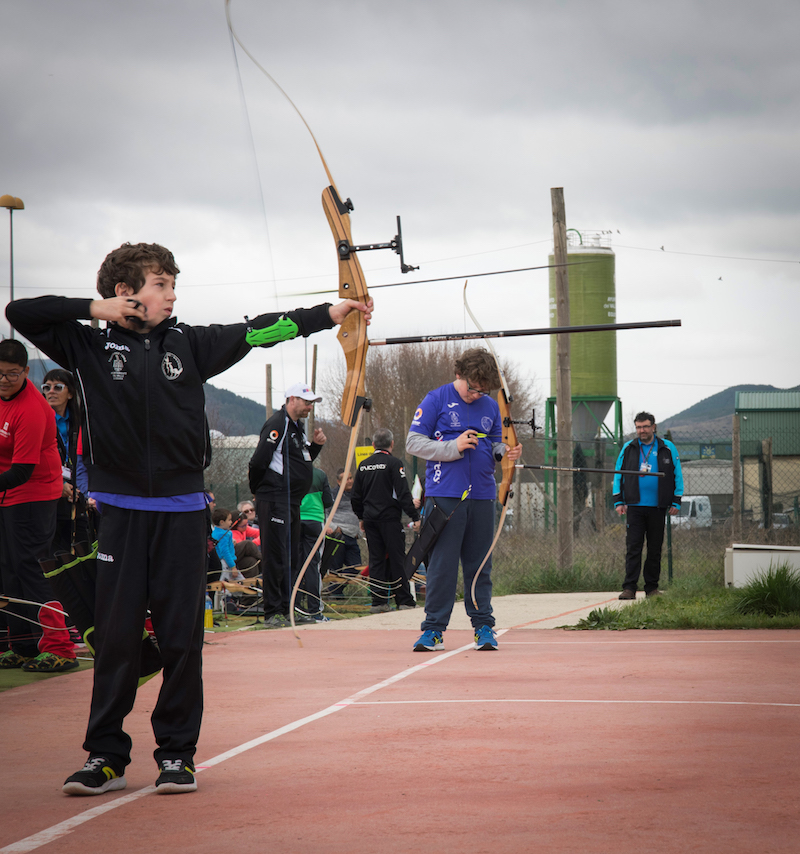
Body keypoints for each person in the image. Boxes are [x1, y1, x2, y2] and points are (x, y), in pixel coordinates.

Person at [7, 240, 372, 796]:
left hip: (181, 513)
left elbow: (259, 330)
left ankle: (177, 755)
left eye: (174, 285)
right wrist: (96, 307)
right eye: (161, 285)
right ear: (127, 291)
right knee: (116, 639)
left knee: (182, 639)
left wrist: (327, 314)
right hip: (123, 515)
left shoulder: (192, 344)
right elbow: (19, 312)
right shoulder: (87, 342)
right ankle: (105, 755)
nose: (172, 295)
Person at [406, 348, 522, 652]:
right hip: (445, 497)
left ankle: (483, 626)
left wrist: (504, 453)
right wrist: (453, 446)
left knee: (480, 564)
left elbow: (496, 442)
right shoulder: (436, 399)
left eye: (482, 390)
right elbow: (414, 442)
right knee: (442, 566)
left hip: (483, 496)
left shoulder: (489, 405)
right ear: (459, 374)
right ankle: (433, 630)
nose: (475, 394)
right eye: (471, 387)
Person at [0, 339, 78, 673]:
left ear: (25, 372)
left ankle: (60, 646)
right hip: (7, 494)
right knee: (8, 569)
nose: (4, 380)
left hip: (33, 492)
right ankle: (23, 645)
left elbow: (21, 470)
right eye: (0, 373)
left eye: (12, 374)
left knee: (33, 568)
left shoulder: (31, 408)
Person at [249, 383, 326, 629]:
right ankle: (273, 611)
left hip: (293, 501)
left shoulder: (297, 428)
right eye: (306, 402)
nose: (309, 407)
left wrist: (315, 447)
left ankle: (288, 608)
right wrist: (258, 489)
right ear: (292, 399)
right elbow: (259, 460)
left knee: (292, 556)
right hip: (274, 499)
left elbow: (298, 462)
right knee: (276, 556)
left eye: (311, 403)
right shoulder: (277, 423)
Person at [613, 411, 683, 599]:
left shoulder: (667, 448)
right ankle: (629, 588)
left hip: (658, 507)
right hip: (634, 506)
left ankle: (651, 588)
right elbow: (618, 474)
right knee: (633, 547)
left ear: (653, 427)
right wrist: (618, 500)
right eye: (638, 427)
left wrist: (676, 499)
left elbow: (678, 474)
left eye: (645, 426)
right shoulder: (628, 448)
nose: (641, 430)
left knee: (654, 549)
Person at [351, 428, 420, 613]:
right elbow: (404, 494)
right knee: (397, 559)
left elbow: (355, 496)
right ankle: (404, 600)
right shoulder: (394, 463)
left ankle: (378, 602)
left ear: (373, 445)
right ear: (392, 444)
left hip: (371, 521)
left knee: (376, 560)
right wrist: (415, 517)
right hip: (389, 520)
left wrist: (361, 517)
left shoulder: (363, 465)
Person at [42, 368, 91, 554]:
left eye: (58, 387)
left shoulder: (82, 422)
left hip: (78, 497)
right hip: (50, 499)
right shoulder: (40, 419)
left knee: (82, 552)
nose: (51, 391)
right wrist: (58, 484)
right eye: (47, 387)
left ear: (70, 392)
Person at [322, 468, 363, 599]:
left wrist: (360, 532)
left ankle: (332, 590)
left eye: (351, 478)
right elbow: (324, 513)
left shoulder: (358, 494)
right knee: (336, 569)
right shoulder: (333, 495)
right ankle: (336, 594)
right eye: (346, 479)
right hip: (338, 536)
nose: (350, 481)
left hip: (353, 536)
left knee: (355, 567)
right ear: (339, 482)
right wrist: (334, 527)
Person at [298, 466, 333, 618]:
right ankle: (315, 611)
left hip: (295, 520)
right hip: (314, 520)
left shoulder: (289, 470)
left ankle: (295, 608)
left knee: (295, 565)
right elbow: (328, 501)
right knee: (313, 565)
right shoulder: (320, 474)